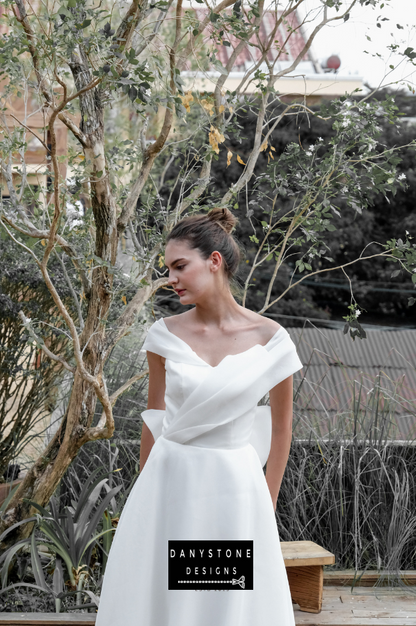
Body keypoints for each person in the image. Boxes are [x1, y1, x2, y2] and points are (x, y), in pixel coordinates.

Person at [95, 207, 303, 626]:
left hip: (234, 491)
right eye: (168, 268)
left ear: (214, 261)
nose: (171, 278)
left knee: (222, 600)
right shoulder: (163, 334)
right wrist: (145, 493)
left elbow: (281, 429)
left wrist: (266, 501)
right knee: (168, 598)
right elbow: (155, 415)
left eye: (179, 266)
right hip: (170, 483)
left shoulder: (272, 340)